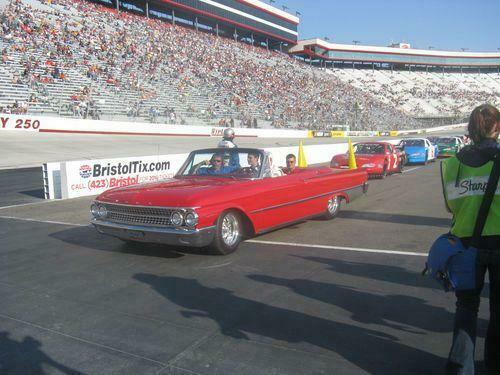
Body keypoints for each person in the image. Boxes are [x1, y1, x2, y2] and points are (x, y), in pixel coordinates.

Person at [440, 104, 499, 375]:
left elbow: (451, 207)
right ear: (496, 128)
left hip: (466, 244)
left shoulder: (452, 164)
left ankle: (460, 369)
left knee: (466, 308)